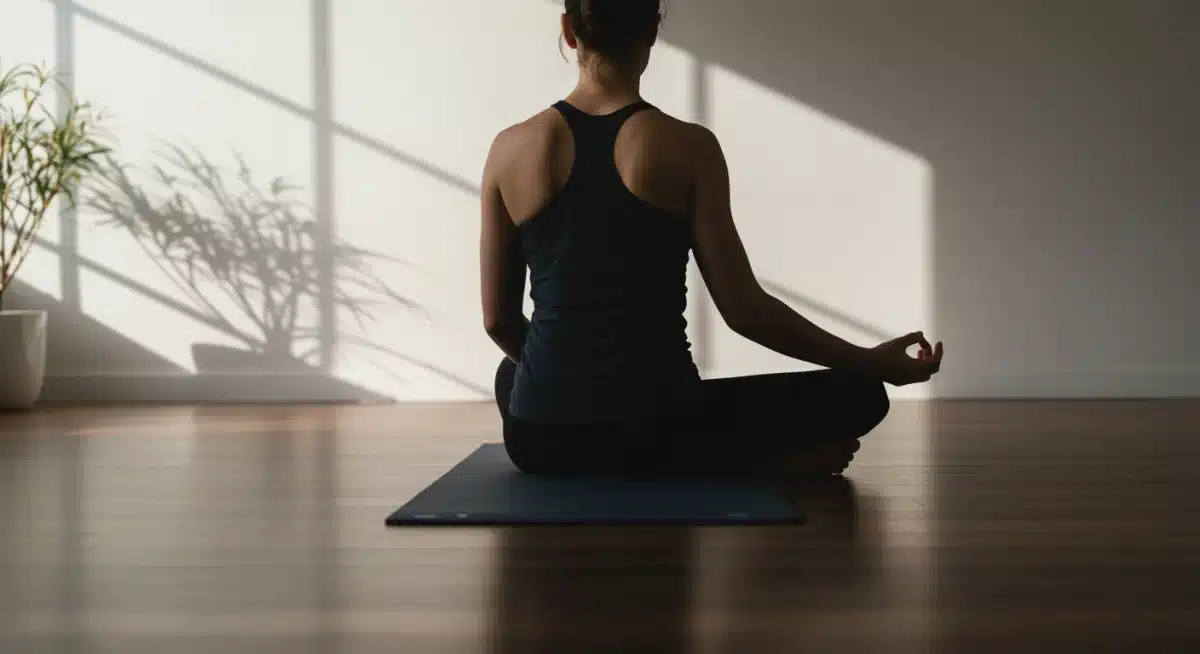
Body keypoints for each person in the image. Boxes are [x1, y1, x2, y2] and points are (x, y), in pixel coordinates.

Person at [480, 0, 943, 479]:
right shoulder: (690, 147)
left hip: (540, 441)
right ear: (651, 31)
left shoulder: (508, 149)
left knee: (514, 375)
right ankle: (761, 461)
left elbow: (498, 322)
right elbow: (744, 310)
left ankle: (709, 456)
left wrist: (563, 383)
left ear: (569, 30)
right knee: (862, 392)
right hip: (661, 427)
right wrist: (869, 362)